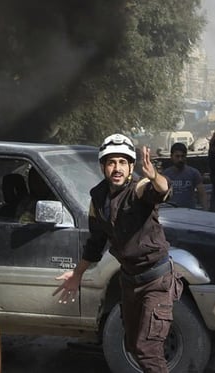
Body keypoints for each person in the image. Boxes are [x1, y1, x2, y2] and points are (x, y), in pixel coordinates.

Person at [54, 134, 181, 373]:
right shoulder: (97, 198)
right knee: (133, 344)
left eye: (123, 162)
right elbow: (96, 242)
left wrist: (154, 176)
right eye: (111, 162)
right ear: (103, 166)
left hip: (156, 280)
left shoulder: (140, 189)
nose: (117, 168)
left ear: (131, 166)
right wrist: (77, 274)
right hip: (130, 281)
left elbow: (162, 191)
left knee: (148, 349)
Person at [162, 142, 207, 210]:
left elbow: (202, 194)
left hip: (189, 212)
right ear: (171, 156)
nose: (180, 159)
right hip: (171, 212)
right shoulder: (166, 174)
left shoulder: (194, 173)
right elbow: (160, 195)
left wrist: (206, 210)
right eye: (177, 156)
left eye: (182, 156)